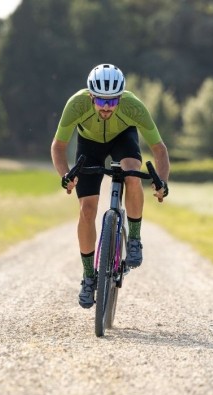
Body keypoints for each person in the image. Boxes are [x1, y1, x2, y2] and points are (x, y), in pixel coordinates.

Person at [51, 63, 170, 309]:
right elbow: (58, 146)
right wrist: (65, 175)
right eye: (101, 101)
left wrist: (163, 182)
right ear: (91, 97)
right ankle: (88, 276)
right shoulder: (76, 104)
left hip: (122, 139)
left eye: (113, 102)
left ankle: (134, 239)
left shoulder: (134, 107)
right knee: (87, 209)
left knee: (132, 174)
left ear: (120, 98)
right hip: (89, 146)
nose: (107, 108)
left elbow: (159, 149)